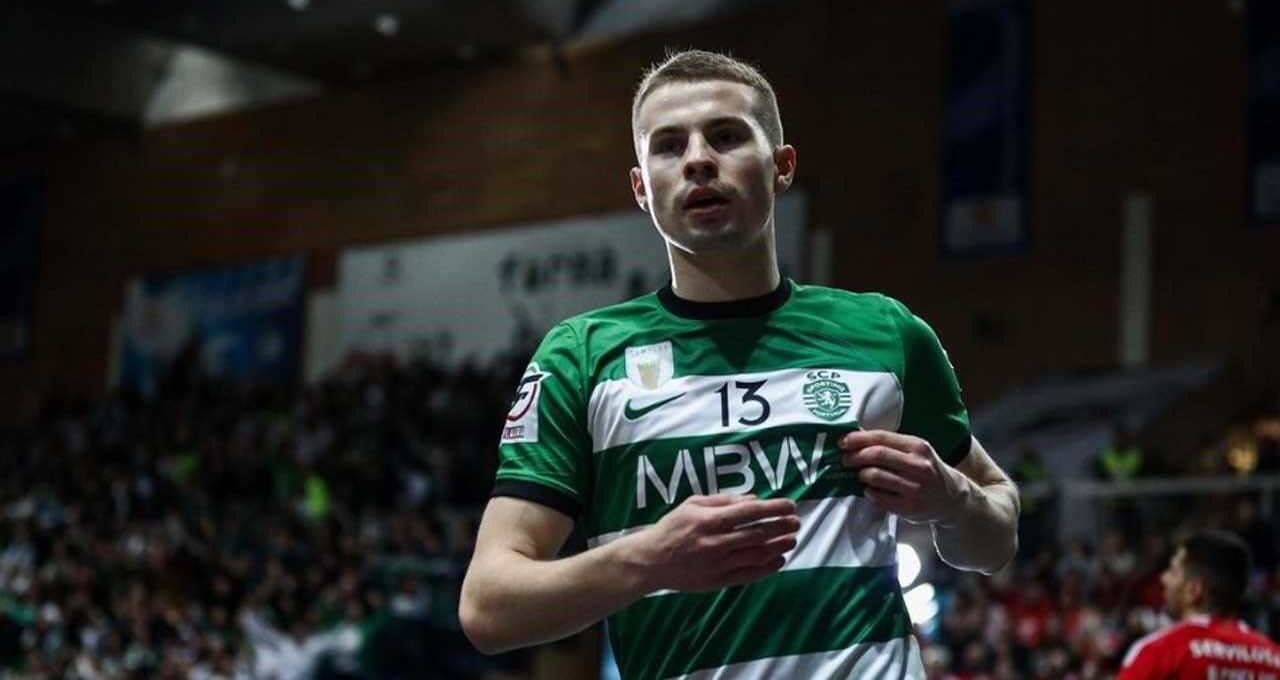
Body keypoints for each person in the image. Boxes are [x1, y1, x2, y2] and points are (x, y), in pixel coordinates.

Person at [459, 49, 1021, 679]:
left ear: (782, 166)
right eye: (669, 146)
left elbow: (996, 538)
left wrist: (953, 499)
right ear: (642, 188)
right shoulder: (581, 357)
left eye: (726, 136)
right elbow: (488, 607)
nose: (698, 159)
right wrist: (649, 559)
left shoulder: (888, 334)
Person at [1118, 530, 1280, 679]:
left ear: (1194, 591)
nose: (1164, 578)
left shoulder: (1161, 652)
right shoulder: (1273, 657)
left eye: (1173, 571)